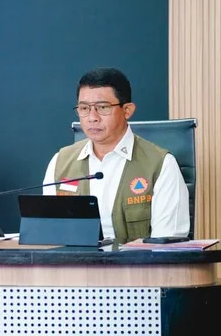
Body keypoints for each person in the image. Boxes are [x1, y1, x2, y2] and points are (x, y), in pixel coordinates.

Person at [43, 68, 189, 242]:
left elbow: (166, 245)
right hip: (74, 259)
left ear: (127, 110)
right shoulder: (60, 162)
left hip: (138, 260)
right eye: (84, 108)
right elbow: (50, 235)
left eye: (102, 107)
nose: (92, 117)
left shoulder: (161, 164)